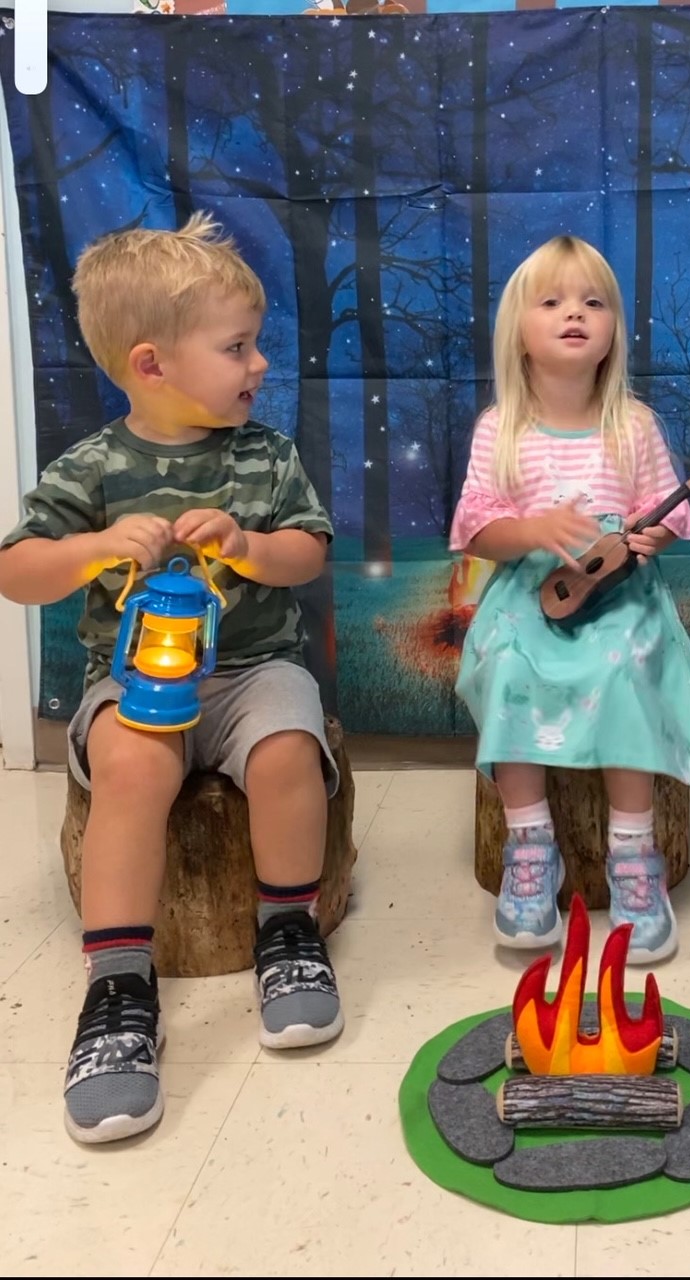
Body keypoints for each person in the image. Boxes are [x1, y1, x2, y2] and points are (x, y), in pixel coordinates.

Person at [0, 214, 343, 1144]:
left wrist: (247, 544)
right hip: (133, 686)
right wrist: (95, 547)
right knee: (133, 770)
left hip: (252, 670)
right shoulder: (94, 467)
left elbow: (309, 554)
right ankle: (117, 989)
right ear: (152, 364)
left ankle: (288, 933)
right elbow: (16, 567)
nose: (260, 364)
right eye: (237, 347)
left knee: (284, 754)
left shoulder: (264, 457)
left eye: (256, 344)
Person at [450, 234, 690, 962]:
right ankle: (531, 850)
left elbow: (669, 508)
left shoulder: (634, 424)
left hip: (621, 597)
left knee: (629, 666)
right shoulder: (502, 429)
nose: (575, 314)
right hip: (529, 594)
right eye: (554, 301)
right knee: (509, 668)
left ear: (612, 333)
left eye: (593, 303)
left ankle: (633, 855)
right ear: (519, 332)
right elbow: (478, 530)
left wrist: (654, 535)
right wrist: (530, 528)